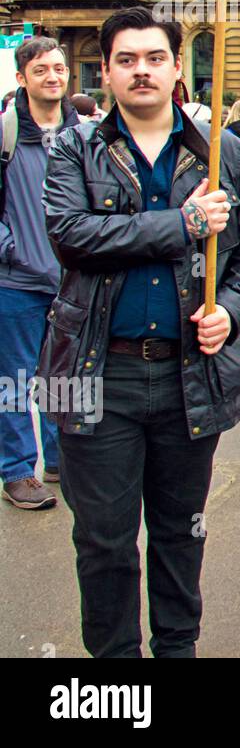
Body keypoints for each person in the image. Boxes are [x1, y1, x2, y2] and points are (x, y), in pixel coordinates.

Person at [39, 5, 240, 658]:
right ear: (107, 72)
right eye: (126, 60)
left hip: (188, 376)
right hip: (93, 376)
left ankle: (178, 649)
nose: (141, 70)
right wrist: (184, 225)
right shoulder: (73, 150)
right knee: (104, 538)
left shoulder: (221, 150)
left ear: (177, 68)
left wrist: (231, 307)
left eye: (154, 58)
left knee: (181, 531)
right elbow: (72, 236)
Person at [1, 38, 78, 510]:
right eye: (41, 70)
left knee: (63, 376)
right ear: (21, 78)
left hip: (72, 282)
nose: (53, 76)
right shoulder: (5, 135)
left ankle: (58, 458)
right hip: (17, 284)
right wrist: (12, 251)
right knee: (13, 380)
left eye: (59, 68)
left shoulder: (85, 135)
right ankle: (15, 470)